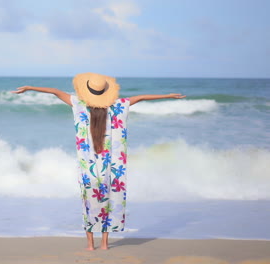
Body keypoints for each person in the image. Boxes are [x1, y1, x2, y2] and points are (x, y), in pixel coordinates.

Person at [11, 72, 186, 250]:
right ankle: (104, 244)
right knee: (108, 201)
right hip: (112, 167)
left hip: (88, 167)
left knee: (89, 203)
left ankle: (89, 244)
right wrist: (167, 95)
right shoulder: (118, 106)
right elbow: (140, 97)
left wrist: (30, 87)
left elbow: (55, 91)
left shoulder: (79, 105)